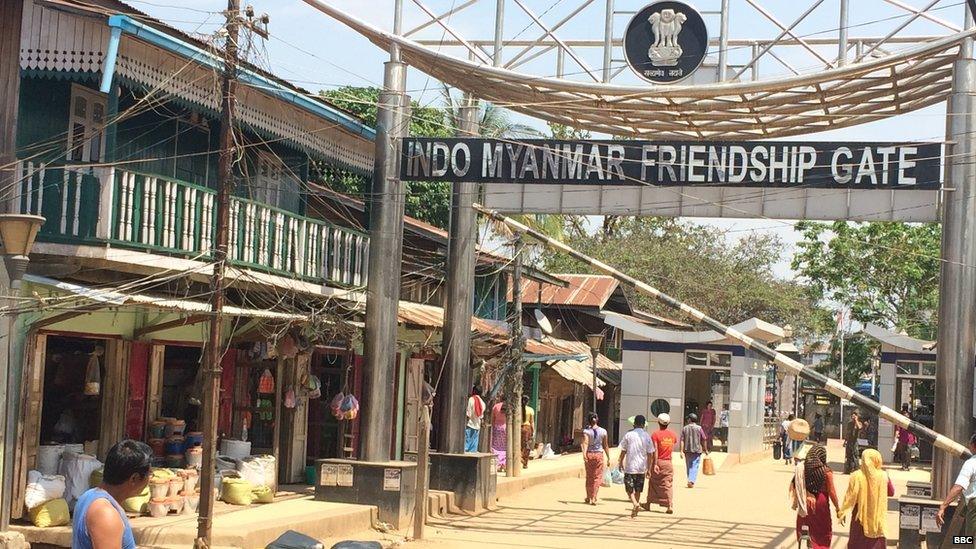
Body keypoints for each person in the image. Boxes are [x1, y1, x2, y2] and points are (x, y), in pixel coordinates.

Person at [72, 440, 151, 549]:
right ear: (134, 478)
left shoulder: (88, 495)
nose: (150, 479)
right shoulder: (105, 514)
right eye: (149, 474)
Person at [837, 449, 895, 548]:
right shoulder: (883, 476)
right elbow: (891, 492)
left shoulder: (856, 476)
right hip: (877, 517)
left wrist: (843, 512)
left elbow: (850, 497)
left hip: (859, 518)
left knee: (858, 543)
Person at [789, 445, 839, 549]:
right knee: (823, 528)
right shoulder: (826, 471)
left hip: (805, 502)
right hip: (821, 503)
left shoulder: (802, 469)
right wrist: (838, 508)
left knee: (806, 527)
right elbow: (832, 492)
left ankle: (807, 545)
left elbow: (794, 485)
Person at [936, 433, 976, 536]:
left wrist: (943, 507)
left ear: (973, 445)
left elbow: (959, 487)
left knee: (971, 539)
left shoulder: (971, 463)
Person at [618, 414, 655, 518]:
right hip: (641, 468)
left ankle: (635, 504)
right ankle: (636, 507)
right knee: (638, 489)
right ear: (644, 425)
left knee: (629, 489)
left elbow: (623, 450)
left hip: (630, 467)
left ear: (634, 424)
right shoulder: (647, 436)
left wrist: (620, 462)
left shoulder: (628, 435)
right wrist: (649, 468)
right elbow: (650, 453)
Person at [644, 413, 677, 514]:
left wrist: (654, 464)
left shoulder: (655, 434)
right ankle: (669, 505)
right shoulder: (673, 435)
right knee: (667, 484)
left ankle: (648, 503)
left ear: (658, 422)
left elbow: (655, 449)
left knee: (653, 483)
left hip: (658, 461)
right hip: (668, 463)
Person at [581, 412, 610, 505]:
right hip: (599, 455)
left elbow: (585, 443)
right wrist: (608, 457)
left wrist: (584, 454)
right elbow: (605, 445)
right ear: (597, 420)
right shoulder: (603, 431)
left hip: (589, 454)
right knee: (597, 477)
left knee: (589, 476)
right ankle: (594, 497)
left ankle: (588, 496)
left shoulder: (586, 431)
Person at [679, 413, 708, 488]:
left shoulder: (685, 428)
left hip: (687, 450)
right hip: (697, 450)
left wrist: (681, 451)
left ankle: (690, 480)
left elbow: (682, 440)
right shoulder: (699, 428)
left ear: (689, 419)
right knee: (695, 465)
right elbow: (704, 438)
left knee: (688, 466)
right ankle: (691, 481)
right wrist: (705, 449)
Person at [894, 405, 916, 471]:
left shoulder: (911, 422)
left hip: (909, 439)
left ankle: (907, 465)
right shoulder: (900, 419)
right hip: (902, 438)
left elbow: (914, 430)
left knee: (908, 452)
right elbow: (897, 428)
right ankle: (904, 465)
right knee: (903, 452)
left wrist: (915, 438)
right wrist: (896, 436)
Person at [465, 386, 486, 453]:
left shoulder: (471, 399)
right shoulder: (482, 402)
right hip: (477, 426)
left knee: (466, 444)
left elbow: (468, 413)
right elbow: (481, 416)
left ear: (474, 391)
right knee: (473, 447)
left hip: (469, 424)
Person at [490, 400, 507, 470]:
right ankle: (504, 463)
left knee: (496, 447)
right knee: (504, 447)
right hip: (505, 428)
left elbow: (492, 419)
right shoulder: (509, 407)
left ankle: (498, 463)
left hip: (497, 428)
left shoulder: (496, 406)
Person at [521, 395, 535, 468]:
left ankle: (519, 459)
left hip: (519, 428)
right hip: (527, 429)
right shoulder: (530, 410)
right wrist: (533, 431)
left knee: (520, 445)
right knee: (526, 446)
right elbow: (532, 422)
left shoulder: (518, 409)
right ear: (528, 402)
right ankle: (525, 462)